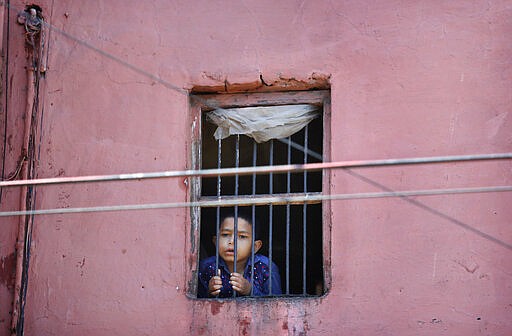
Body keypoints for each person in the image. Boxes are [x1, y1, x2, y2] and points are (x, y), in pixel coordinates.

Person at [197, 210, 282, 298]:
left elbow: (278, 305)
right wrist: (209, 293)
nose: (231, 241)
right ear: (215, 241)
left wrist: (250, 291)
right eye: (225, 234)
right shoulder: (205, 267)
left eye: (242, 236)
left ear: (255, 246)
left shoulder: (266, 267)